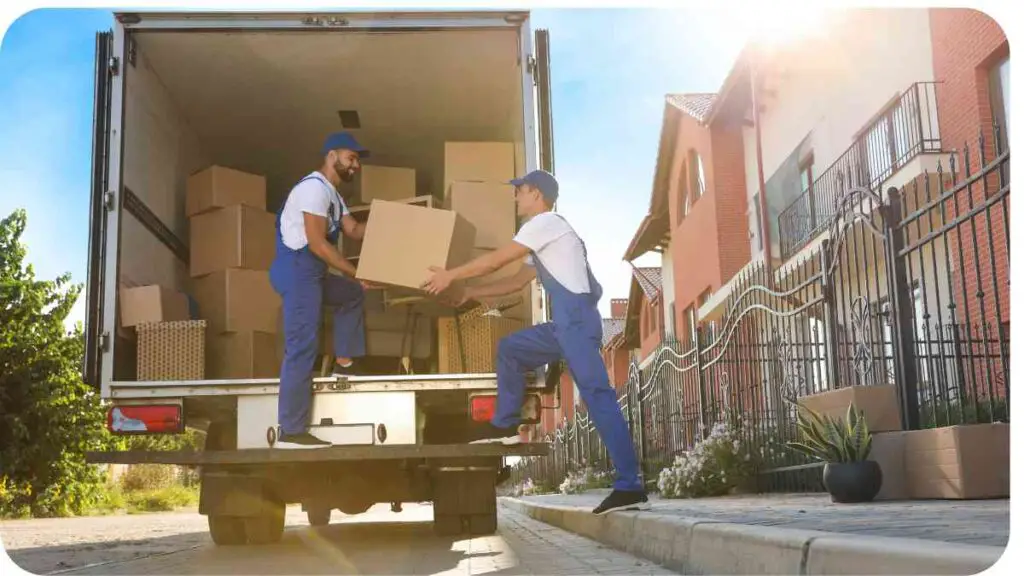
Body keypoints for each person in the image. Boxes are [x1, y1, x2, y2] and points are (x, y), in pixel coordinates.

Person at [422, 169, 649, 515]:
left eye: (520, 191)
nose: (516, 197)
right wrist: (469, 292)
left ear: (538, 195)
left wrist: (449, 275)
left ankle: (630, 485)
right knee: (511, 349)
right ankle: (506, 425)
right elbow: (515, 281)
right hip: (563, 326)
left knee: (599, 398)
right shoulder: (543, 236)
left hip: (576, 324)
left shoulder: (547, 223)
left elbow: (499, 259)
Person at [269, 132, 371, 449]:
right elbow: (317, 243)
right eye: (350, 158)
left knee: (351, 295)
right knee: (302, 346)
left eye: (357, 160)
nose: (355, 165)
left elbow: (354, 230)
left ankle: (345, 364)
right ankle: (291, 429)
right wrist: (355, 272)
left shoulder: (333, 195)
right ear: (331, 156)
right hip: (298, 270)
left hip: (312, 273)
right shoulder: (313, 189)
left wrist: (397, 224)